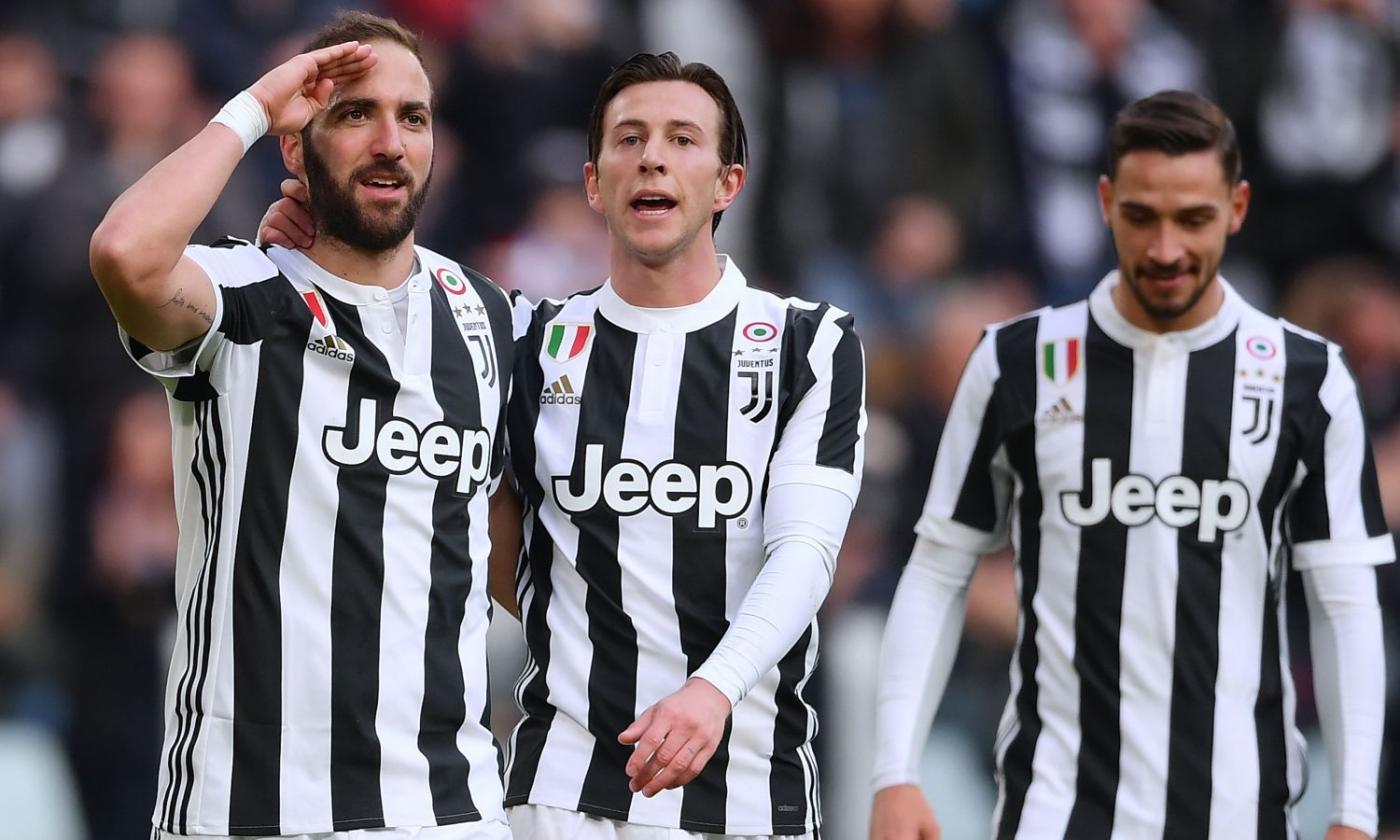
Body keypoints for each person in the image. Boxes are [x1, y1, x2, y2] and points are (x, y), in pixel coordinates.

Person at [264, 49, 866, 839]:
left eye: (682, 139)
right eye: (629, 138)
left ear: (728, 184)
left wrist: (712, 688)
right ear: (593, 182)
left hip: (747, 792)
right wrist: (310, 246)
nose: (651, 156)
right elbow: (487, 517)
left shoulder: (807, 344)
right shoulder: (526, 338)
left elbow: (805, 555)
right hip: (560, 790)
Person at [868, 90, 1391, 840]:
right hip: (1055, 814)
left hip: (1239, 817)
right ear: (1107, 203)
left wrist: (1355, 812)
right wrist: (894, 773)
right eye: (1143, 217)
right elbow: (938, 571)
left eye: (1194, 219)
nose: (1167, 248)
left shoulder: (1306, 378)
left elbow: (1345, 603)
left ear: (1238, 208)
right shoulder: (1019, 361)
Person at [89, 12, 513, 839]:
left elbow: (514, 544)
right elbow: (125, 253)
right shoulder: (245, 294)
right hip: (250, 807)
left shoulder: (489, 317)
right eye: (355, 114)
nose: (390, 142)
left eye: (413, 117)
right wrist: (254, 106)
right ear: (294, 146)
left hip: (447, 810)